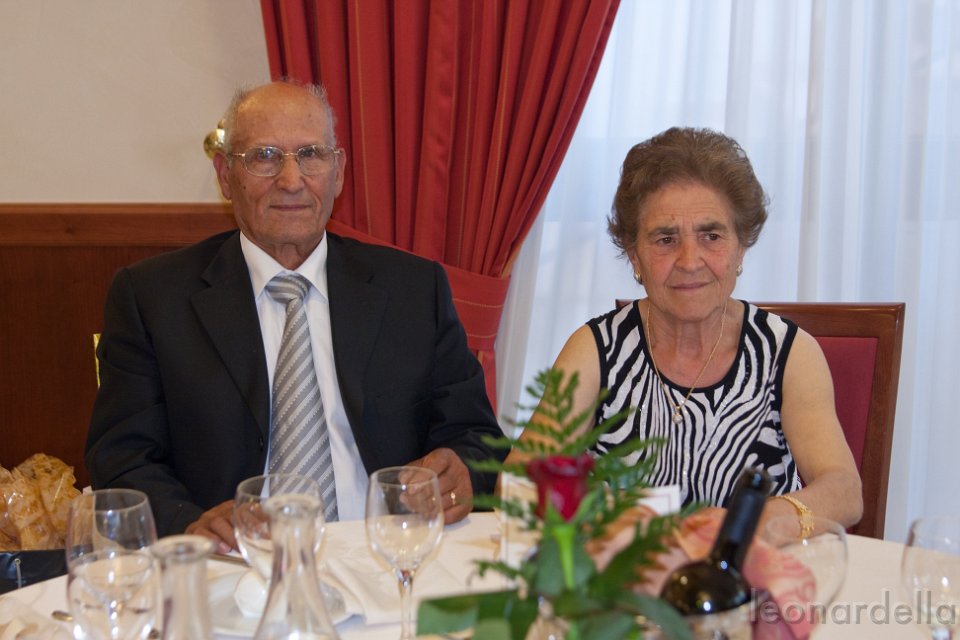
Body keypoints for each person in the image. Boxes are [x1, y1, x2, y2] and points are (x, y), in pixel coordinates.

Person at [85, 80, 505, 549]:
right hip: (232, 564)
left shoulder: (413, 290)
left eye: (310, 155)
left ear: (338, 172)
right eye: (264, 157)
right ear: (225, 175)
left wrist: (462, 470)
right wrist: (189, 522)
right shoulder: (152, 298)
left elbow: (476, 437)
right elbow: (121, 459)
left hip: (385, 553)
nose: (290, 180)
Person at [507, 127, 862, 529]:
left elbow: (844, 491)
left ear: (741, 247)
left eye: (711, 235)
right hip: (626, 564)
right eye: (665, 239)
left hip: (746, 563)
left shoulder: (787, 352)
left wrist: (751, 523)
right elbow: (518, 480)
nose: (690, 261)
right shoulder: (597, 349)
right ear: (634, 255)